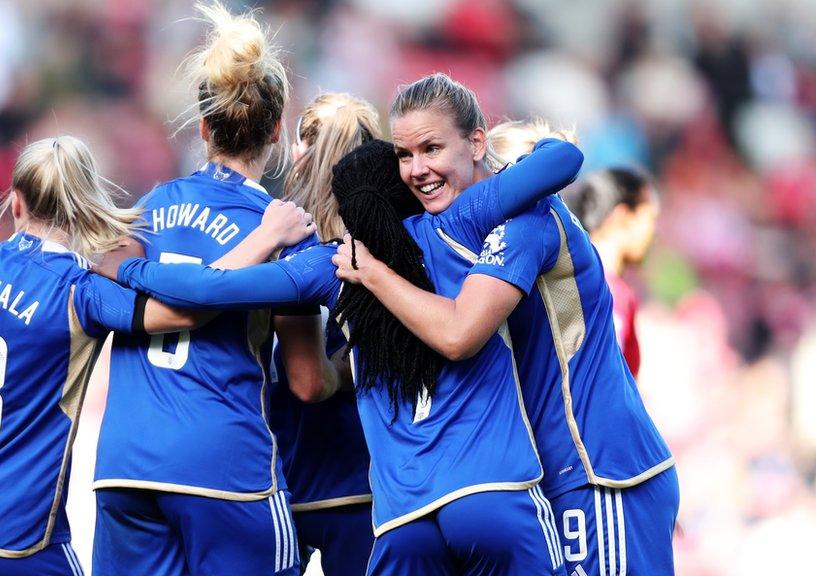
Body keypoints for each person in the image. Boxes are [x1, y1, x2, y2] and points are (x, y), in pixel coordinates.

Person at [99, 115, 583, 574]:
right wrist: (502, 157)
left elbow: (209, 288)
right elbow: (562, 160)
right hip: (488, 490)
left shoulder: (331, 265)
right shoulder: (459, 227)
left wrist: (127, 268)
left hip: (402, 517)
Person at [0, 135, 312, 576]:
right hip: (12, 543)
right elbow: (188, 311)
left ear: (17, 202)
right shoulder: (81, 291)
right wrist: (266, 238)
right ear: (85, 206)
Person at [336, 117, 678, 575]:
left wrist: (373, 274)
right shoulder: (458, 247)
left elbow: (459, 334)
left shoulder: (525, 224)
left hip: (595, 468)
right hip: (549, 475)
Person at [90, 3, 324, 575]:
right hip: (223, 467)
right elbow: (306, 380)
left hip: (124, 464)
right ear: (275, 129)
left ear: (202, 126)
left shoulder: (146, 211)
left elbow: (100, 270)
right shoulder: (282, 227)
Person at [273, 93, 381, 575]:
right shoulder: (390, 241)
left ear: (301, 153)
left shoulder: (284, 244)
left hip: (286, 479)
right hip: (370, 482)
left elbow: (308, 382)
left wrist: (338, 371)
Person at [561, 167, 659, 378]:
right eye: (650, 219)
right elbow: (605, 379)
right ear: (622, 216)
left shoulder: (569, 279)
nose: (653, 232)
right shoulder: (610, 293)